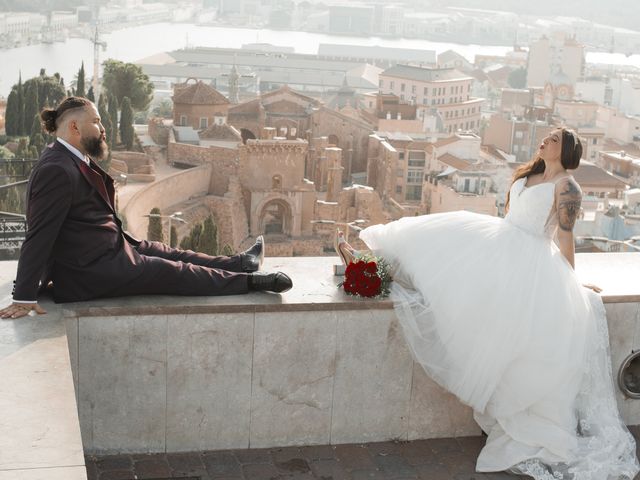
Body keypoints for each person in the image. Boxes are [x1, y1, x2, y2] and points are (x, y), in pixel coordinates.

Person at [336, 127, 639, 478]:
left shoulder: (567, 187)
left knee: (467, 310)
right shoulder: (531, 173)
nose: (544, 139)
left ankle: (365, 269)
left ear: (567, 150)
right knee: (429, 247)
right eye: (546, 135)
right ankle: (363, 262)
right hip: (499, 244)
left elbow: (566, 237)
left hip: (530, 263)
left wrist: (570, 282)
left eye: (554, 138)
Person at [0, 96, 292, 320]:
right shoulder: (58, 168)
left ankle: (241, 263)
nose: (103, 129)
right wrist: (24, 295)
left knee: (171, 252)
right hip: (91, 271)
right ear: (75, 126)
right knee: (174, 271)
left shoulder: (71, 157)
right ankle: (252, 282)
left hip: (108, 251)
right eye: (97, 122)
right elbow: (39, 233)